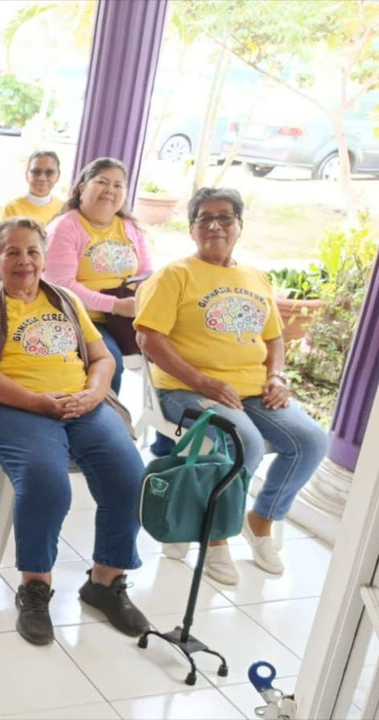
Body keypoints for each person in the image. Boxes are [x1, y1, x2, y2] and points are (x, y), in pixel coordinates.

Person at [0, 217, 150, 646]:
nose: (24, 261)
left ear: (44, 257)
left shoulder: (65, 300)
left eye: (32, 252)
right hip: (11, 408)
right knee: (46, 482)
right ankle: (35, 588)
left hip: (80, 404)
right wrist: (36, 402)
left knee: (130, 476)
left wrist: (94, 394)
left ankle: (106, 581)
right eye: (13, 253)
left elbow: (102, 358)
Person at [135, 187, 327, 585]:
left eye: (224, 217)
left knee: (311, 441)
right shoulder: (175, 275)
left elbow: (274, 339)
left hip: (253, 390)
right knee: (244, 443)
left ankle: (260, 521)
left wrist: (277, 376)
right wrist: (203, 381)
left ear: (239, 225)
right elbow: (148, 339)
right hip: (185, 390)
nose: (214, 225)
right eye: (204, 218)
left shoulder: (255, 277)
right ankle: (215, 533)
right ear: (191, 229)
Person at [43, 157, 152, 396]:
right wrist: (115, 305)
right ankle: (102, 413)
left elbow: (147, 275)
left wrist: (138, 303)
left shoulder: (130, 227)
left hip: (127, 318)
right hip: (81, 318)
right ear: (82, 187)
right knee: (110, 362)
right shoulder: (66, 227)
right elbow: (61, 286)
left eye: (118, 185)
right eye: (102, 182)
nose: (110, 190)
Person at [2, 150, 65, 226]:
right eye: (36, 172)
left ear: (57, 177)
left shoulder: (64, 209)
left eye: (49, 172)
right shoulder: (13, 208)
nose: (42, 178)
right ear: (27, 175)